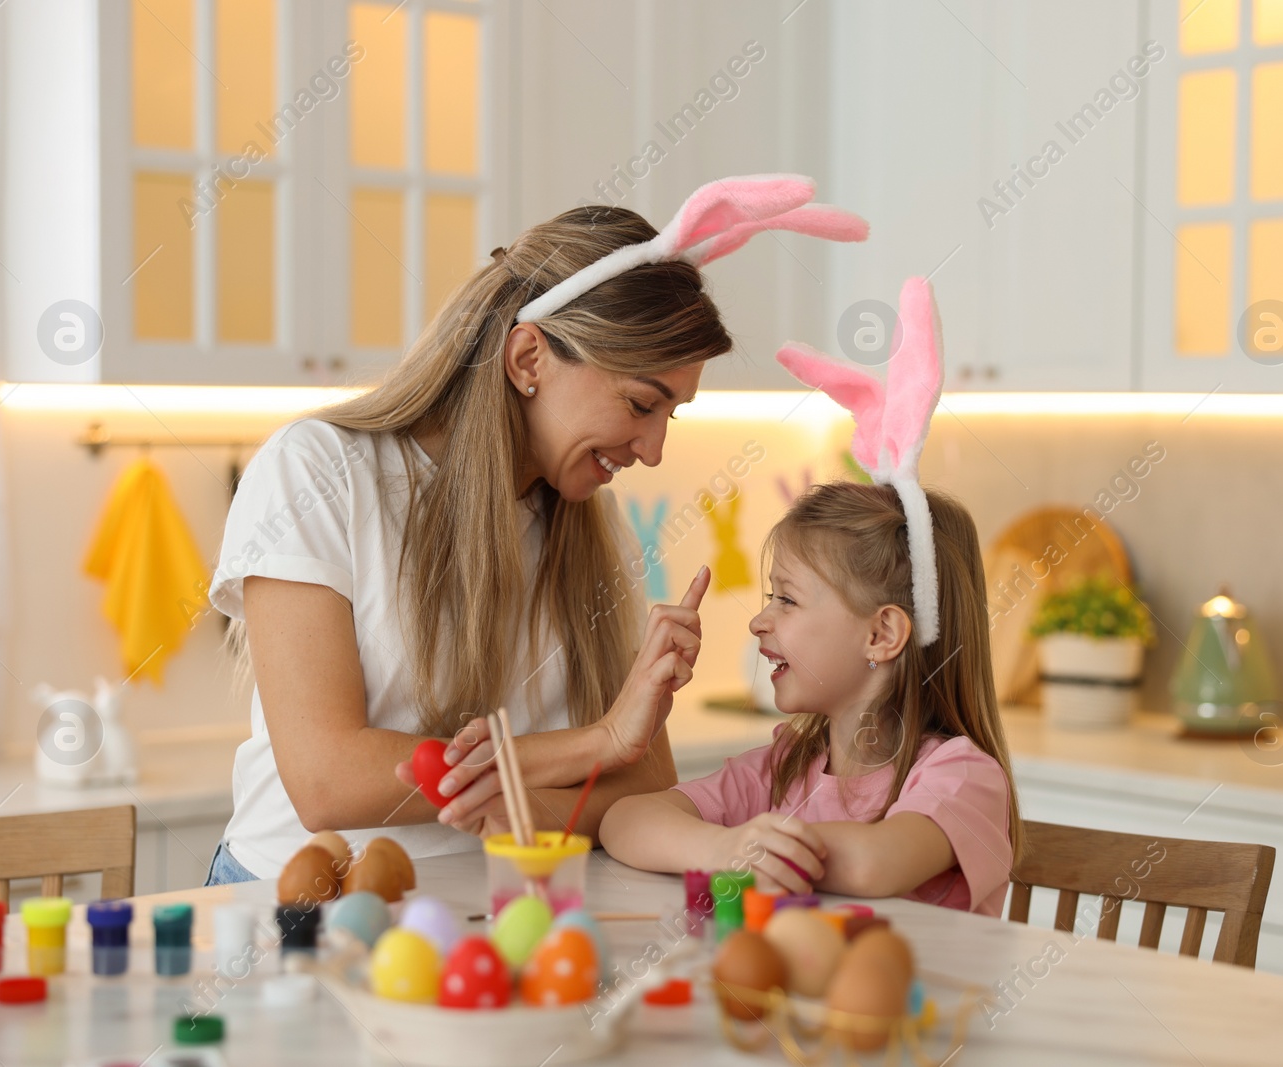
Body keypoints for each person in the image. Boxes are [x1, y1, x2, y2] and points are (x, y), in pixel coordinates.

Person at [203, 176, 868, 883]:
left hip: (502, 906)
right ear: (528, 360)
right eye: (642, 403)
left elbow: (643, 792)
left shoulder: (590, 524)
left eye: (670, 416)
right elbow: (329, 781)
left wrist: (578, 769)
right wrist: (595, 744)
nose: (653, 450)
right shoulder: (317, 473)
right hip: (308, 900)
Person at [600, 276, 1020, 914]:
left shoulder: (959, 777)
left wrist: (751, 847)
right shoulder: (785, 765)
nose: (758, 623)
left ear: (882, 634)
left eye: (788, 601)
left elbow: (875, 863)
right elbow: (623, 822)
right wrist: (724, 849)